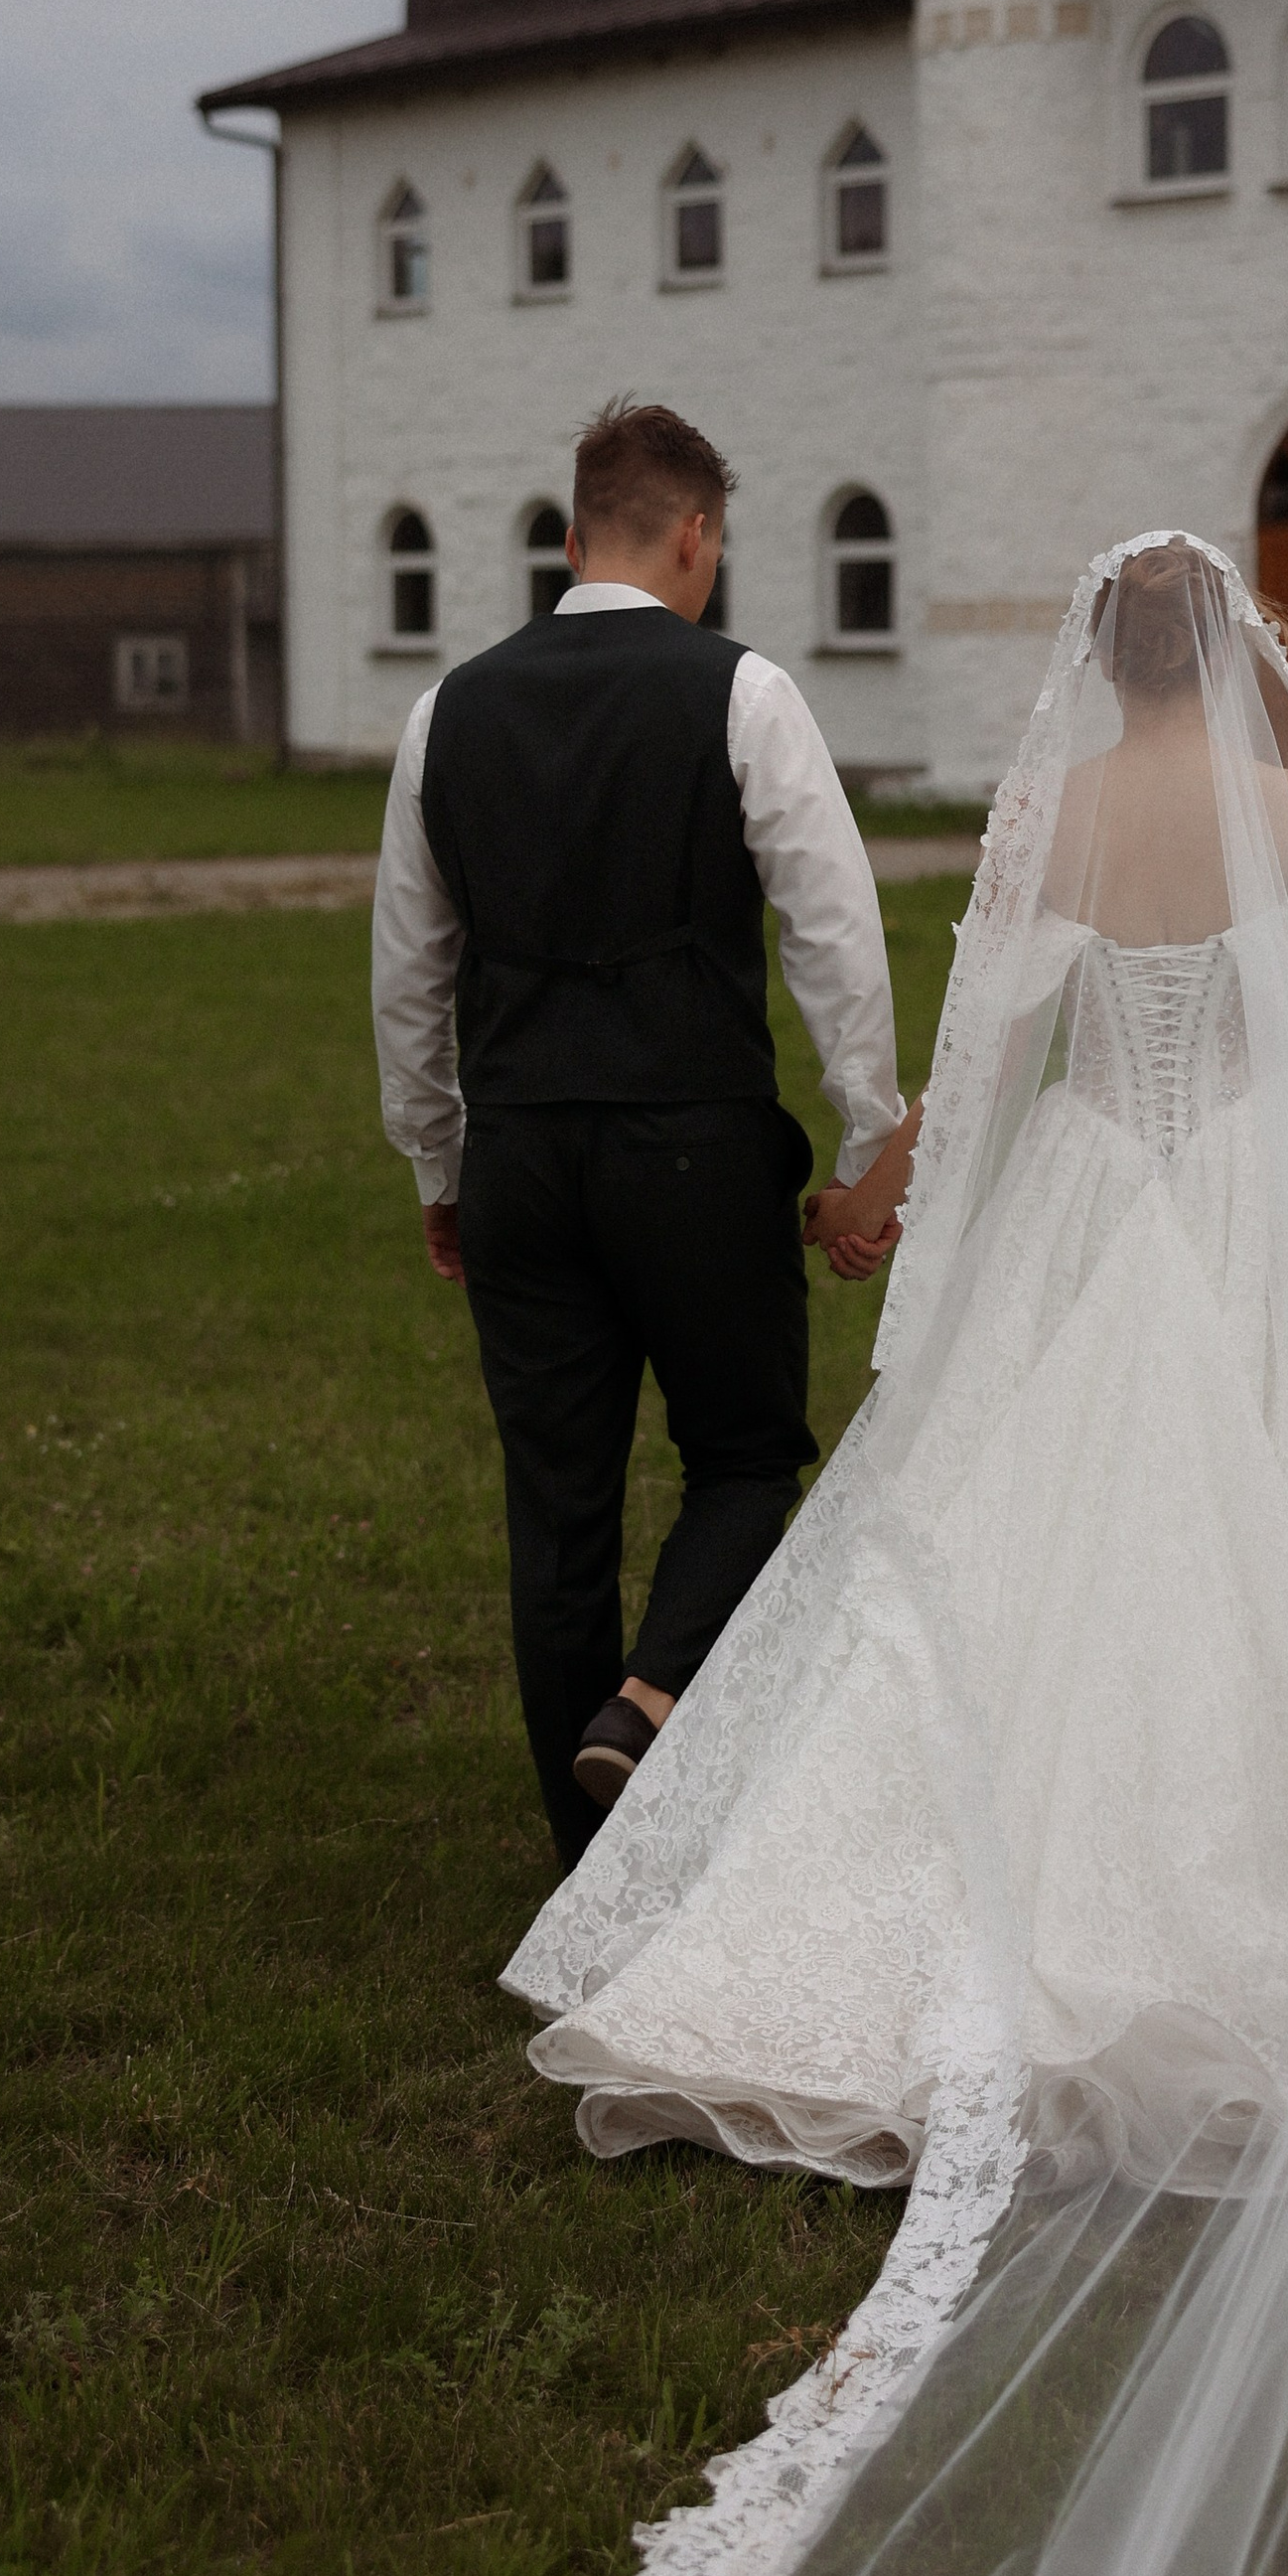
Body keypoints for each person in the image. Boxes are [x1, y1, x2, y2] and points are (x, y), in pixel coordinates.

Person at [504, 533, 1288, 2576]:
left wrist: (886, 1222)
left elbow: (999, 1046)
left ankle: (923, 1919)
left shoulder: (1049, 818)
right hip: (1255, 1221)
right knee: (1273, 1575)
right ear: (1237, 652)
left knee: (982, 1569)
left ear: (1094, 660)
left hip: (1081, 1206)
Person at [371, 397, 903, 1866]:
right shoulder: (744, 694)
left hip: (524, 1157)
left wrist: (440, 1163)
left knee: (556, 1508)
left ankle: (579, 1854)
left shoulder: (445, 711)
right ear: (694, 536)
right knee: (742, 1456)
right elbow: (830, 928)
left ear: (565, 539)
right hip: (694, 1146)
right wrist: (871, 1139)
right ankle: (651, 1704)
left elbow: (409, 970)